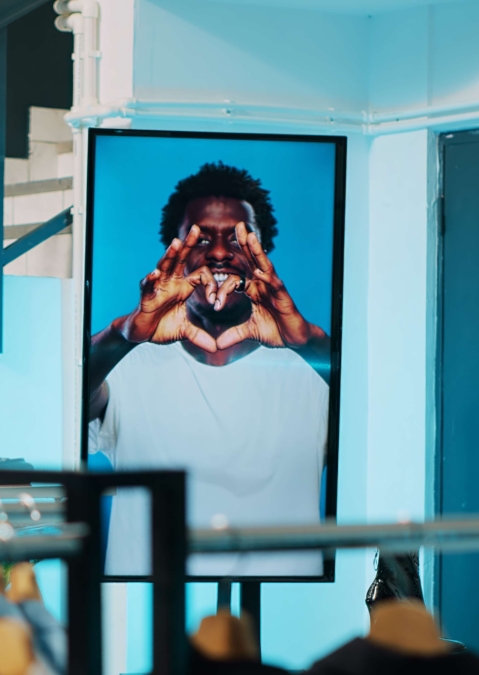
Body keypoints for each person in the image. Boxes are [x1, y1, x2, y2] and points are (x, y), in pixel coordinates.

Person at [88, 162, 331, 577]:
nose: (219, 252)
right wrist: (120, 335)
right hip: (151, 609)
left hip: (284, 606)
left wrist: (311, 342)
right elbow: (66, 398)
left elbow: (381, 424)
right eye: (200, 238)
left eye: (238, 238)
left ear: (262, 251)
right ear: (175, 251)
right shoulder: (126, 364)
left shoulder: (312, 370)